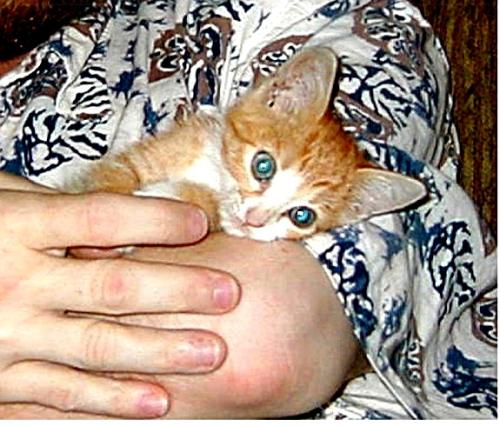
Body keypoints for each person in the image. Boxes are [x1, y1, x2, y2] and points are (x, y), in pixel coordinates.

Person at [0, 0, 496, 420]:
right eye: (263, 168)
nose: (256, 217)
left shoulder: (307, 23)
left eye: (300, 216)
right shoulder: (223, 138)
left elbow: (254, 339)